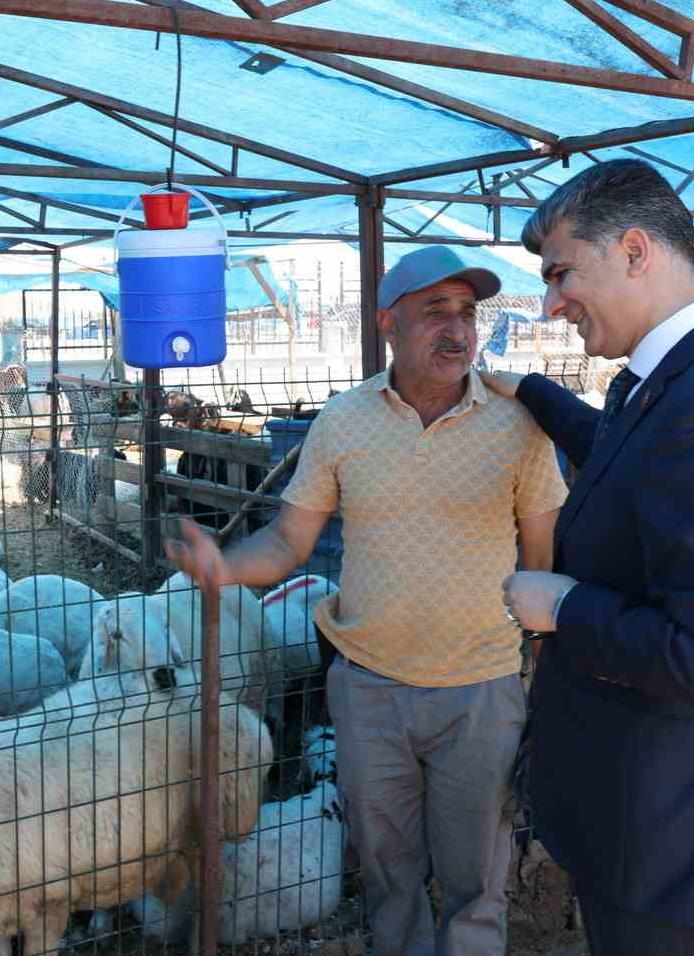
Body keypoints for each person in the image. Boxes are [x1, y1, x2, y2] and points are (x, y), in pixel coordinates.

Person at [168, 245, 567, 955]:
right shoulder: (344, 420)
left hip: (480, 689)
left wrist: (533, 666)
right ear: (388, 323)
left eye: (467, 313)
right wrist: (220, 567)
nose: (457, 329)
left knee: (477, 881)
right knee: (388, 875)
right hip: (370, 691)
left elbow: (543, 560)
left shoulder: (517, 425)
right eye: (435, 311)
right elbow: (288, 541)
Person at [484, 159, 694, 954]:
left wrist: (562, 606)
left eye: (561, 273)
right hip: (653, 820)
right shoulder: (681, 376)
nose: (551, 302)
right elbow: (633, 464)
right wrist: (533, 392)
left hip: (681, 846)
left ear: (634, 250)